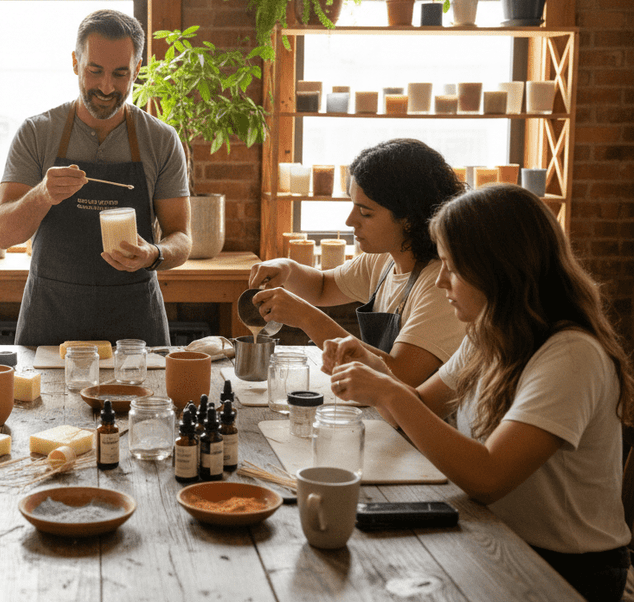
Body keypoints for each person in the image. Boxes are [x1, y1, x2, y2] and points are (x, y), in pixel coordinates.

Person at [325, 184, 633, 602]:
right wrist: (370, 366)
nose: (441, 283)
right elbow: (420, 408)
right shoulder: (489, 333)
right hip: (493, 533)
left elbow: (489, 477)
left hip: (566, 568)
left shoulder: (571, 354)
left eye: (452, 267)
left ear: (498, 269)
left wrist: (388, 393)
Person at [0, 9, 191, 346]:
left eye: (120, 73)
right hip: (52, 320)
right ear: (75, 62)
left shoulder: (160, 139)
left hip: (134, 326)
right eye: (94, 71)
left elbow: (182, 237)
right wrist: (43, 194)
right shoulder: (37, 133)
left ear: (137, 69)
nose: (106, 86)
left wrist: (154, 254)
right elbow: (3, 234)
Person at [250, 138, 466, 385]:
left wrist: (306, 318)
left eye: (365, 212)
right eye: (353, 206)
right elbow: (322, 287)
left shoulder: (443, 285)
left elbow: (399, 376)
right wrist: (287, 268)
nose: (350, 220)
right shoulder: (383, 259)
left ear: (408, 218)